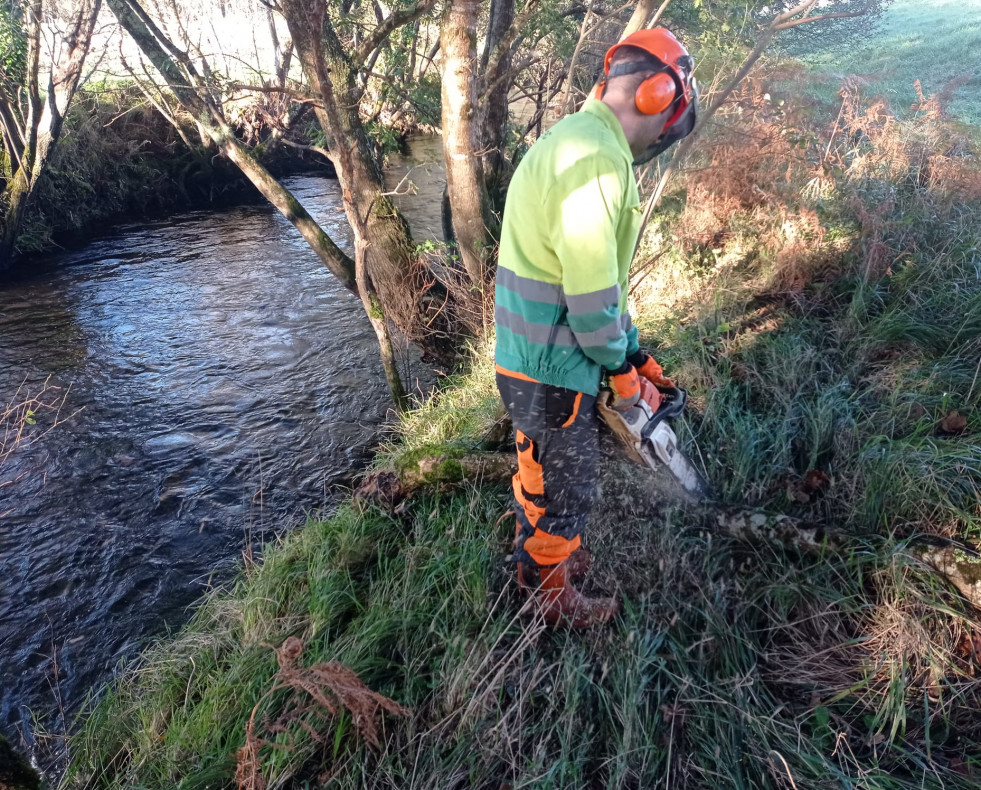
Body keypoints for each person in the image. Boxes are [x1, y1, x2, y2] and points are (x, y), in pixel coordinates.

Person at [494, 28, 699, 627]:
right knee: (571, 487)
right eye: (668, 123)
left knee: (538, 465)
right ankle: (549, 596)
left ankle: (537, 553)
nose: (662, 137)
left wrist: (635, 355)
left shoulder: (573, 139)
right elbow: (590, 310)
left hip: (527, 359)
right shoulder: (599, 164)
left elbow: (600, 285)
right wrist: (622, 374)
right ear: (659, 96)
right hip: (556, 367)